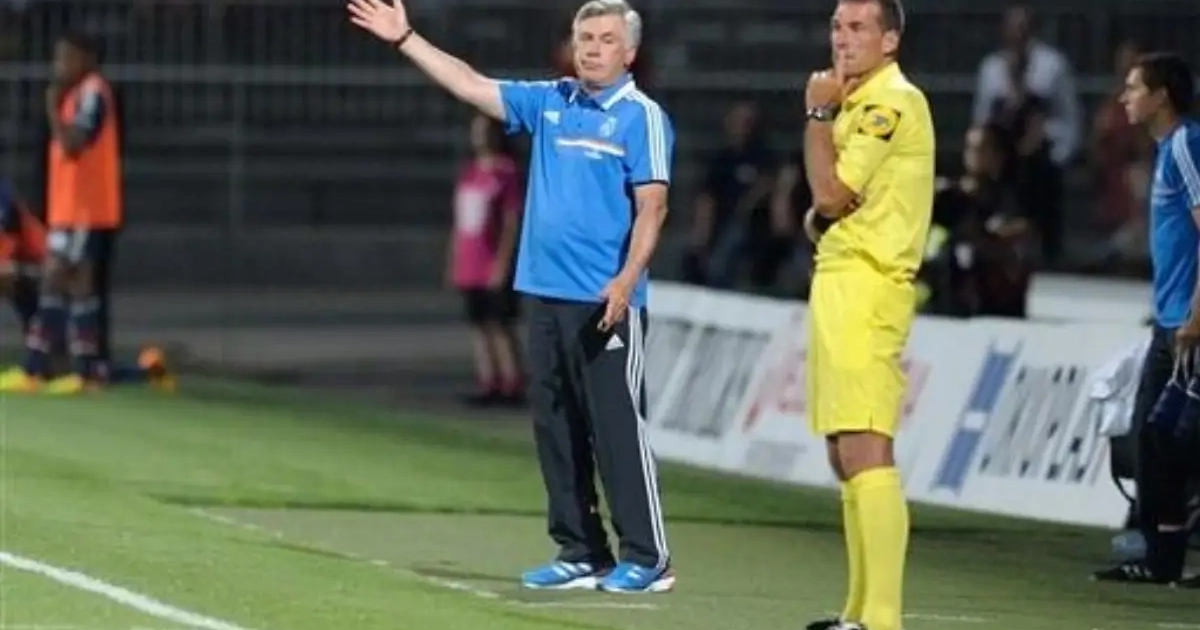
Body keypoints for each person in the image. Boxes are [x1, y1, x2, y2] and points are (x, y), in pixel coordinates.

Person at [349, 0, 675, 593]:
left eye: (606, 39)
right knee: (556, 427)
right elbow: (470, 84)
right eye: (584, 37)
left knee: (616, 429)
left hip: (605, 299)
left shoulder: (640, 116)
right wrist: (406, 39)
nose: (592, 48)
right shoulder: (551, 101)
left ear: (629, 52)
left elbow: (653, 207)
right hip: (545, 292)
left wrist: (627, 279)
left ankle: (648, 557)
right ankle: (581, 550)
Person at [800, 1, 934, 629]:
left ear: (890, 40)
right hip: (840, 279)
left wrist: (817, 115)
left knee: (866, 445)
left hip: (870, 285)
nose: (843, 38)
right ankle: (857, 614)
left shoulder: (892, 103)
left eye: (859, 28)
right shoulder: (855, 101)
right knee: (842, 451)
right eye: (837, 26)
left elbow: (830, 195)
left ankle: (883, 620)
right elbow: (827, 206)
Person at [1092, 52, 1200, 589]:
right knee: (1152, 439)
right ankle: (1162, 558)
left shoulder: (1186, 145)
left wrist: (1196, 317)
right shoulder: (1165, 150)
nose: (1124, 97)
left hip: (1190, 324)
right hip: (1170, 321)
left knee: (1177, 440)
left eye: (1134, 88)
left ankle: (1166, 555)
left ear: (1161, 96)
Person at [0, 31, 123, 394]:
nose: (59, 66)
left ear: (86, 59)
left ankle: (55, 370)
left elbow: (73, 144)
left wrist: (53, 109)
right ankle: (71, 371)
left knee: (68, 281)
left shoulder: (93, 92)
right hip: (69, 209)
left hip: (87, 209)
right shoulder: (76, 95)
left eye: (65, 58)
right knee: (67, 284)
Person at [0, 180, 172, 391]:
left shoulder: (3, 199)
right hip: (31, 280)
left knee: (67, 366)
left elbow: (5, 268)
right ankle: (41, 362)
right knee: (56, 366)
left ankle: (146, 371)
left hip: (38, 274)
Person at [447, 113, 526, 407]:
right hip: (471, 260)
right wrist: (454, 259)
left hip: (493, 260)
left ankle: (512, 380)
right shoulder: (470, 172)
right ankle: (488, 379)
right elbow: (460, 222)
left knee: (500, 323)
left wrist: (502, 263)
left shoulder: (506, 172)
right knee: (478, 323)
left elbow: (510, 221)